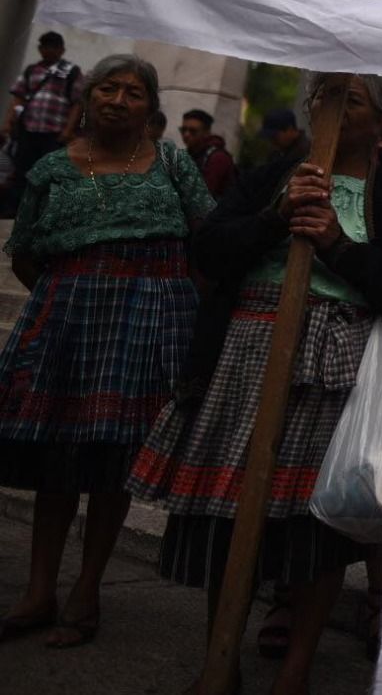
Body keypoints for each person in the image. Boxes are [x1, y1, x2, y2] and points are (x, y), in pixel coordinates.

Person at [127, 73, 382, 694]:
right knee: (229, 513)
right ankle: (221, 659)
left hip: (336, 372)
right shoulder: (269, 177)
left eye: (355, 101)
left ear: (379, 122)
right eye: (325, 97)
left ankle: (294, 673)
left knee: (315, 533)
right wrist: (275, 217)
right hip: (246, 355)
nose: (337, 110)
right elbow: (209, 251)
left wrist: (338, 246)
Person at [0, 55, 213, 647]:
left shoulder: (172, 163)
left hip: (147, 324)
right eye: (107, 88)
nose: (118, 100)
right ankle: (38, 591)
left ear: (151, 107)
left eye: (133, 92)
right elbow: (25, 251)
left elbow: (211, 238)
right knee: (55, 458)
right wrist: (74, 288)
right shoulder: (50, 169)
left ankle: (87, 590)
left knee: (113, 462)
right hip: (69, 319)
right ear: (88, 98)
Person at [3, 32, 83, 216]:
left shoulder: (71, 71)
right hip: (28, 130)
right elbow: (18, 98)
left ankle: (42, 212)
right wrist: (8, 124)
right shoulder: (32, 70)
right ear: (40, 49)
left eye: (53, 47)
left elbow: (78, 103)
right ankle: (14, 211)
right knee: (21, 171)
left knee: (49, 173)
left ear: (62, 50)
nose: (49, 51)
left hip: (54, 133)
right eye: (45, 47)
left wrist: (68, 130)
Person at [179, 108, 238, 197]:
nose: (186, 135)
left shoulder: (218, 158)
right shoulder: (189, 154)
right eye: (183, 130)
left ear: (206, 132)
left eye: (193, 131)